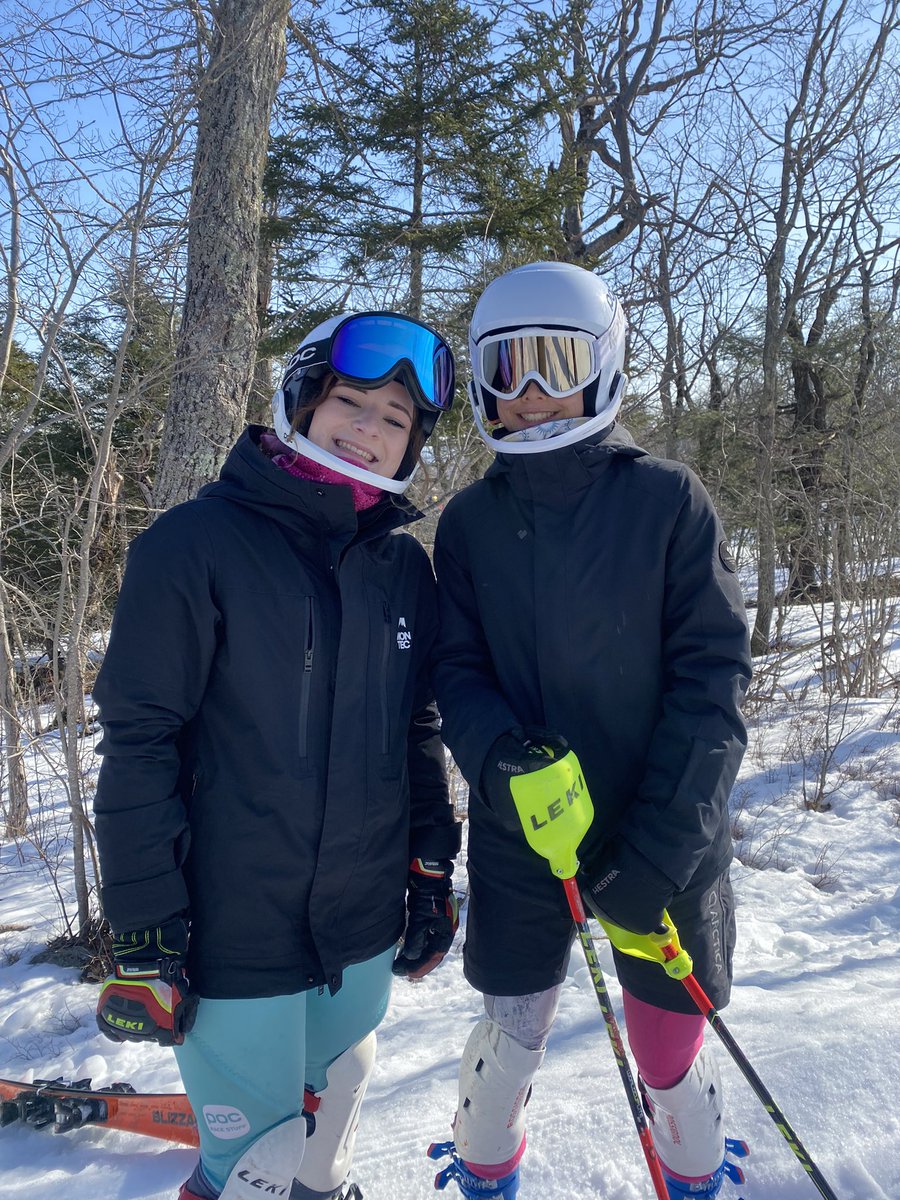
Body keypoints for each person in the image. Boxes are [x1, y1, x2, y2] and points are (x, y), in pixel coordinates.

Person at [91, 311, 462, 1200]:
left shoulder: (403, 570)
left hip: (360, 933)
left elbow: (416, 734)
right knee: (255, 1172)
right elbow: (140, 741)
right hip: (232, 940)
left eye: (396, 419)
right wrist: (145, 930)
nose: (369, 428)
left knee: (327, 1152)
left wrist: (429, 870)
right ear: (301, 397)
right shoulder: (193, 547)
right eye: (352, 400)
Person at [427, 262, 752, 1199]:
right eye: (507, 369)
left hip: (661, 831)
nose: (528, 395)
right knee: (510, 1036)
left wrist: (661, 849)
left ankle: (690, 1168)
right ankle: (487, 1168)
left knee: (664, 1049)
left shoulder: (666, 501)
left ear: (600, 365)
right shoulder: (472, 522)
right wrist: (498, 760)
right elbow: (458, 668)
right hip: (527, 832)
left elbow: (713, 679)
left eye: (552, 365)